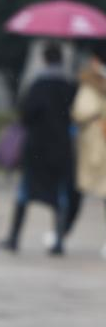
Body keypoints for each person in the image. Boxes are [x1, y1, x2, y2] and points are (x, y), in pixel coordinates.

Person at [0, 42, 77, 255]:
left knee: (25, 192)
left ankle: (14, 238)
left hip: (37, 149)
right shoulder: (70, 87)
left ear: (44, 60)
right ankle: (58, 242)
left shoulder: (38, 86)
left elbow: (25, 115)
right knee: (60, 195)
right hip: (61, 149)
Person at [71, 42, 106, 259]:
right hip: (93, 145)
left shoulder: (88, 84)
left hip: (94, 145)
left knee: (78, 191)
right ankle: (61, 234)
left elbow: (79, 111)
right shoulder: (89, 82)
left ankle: (60, 235)